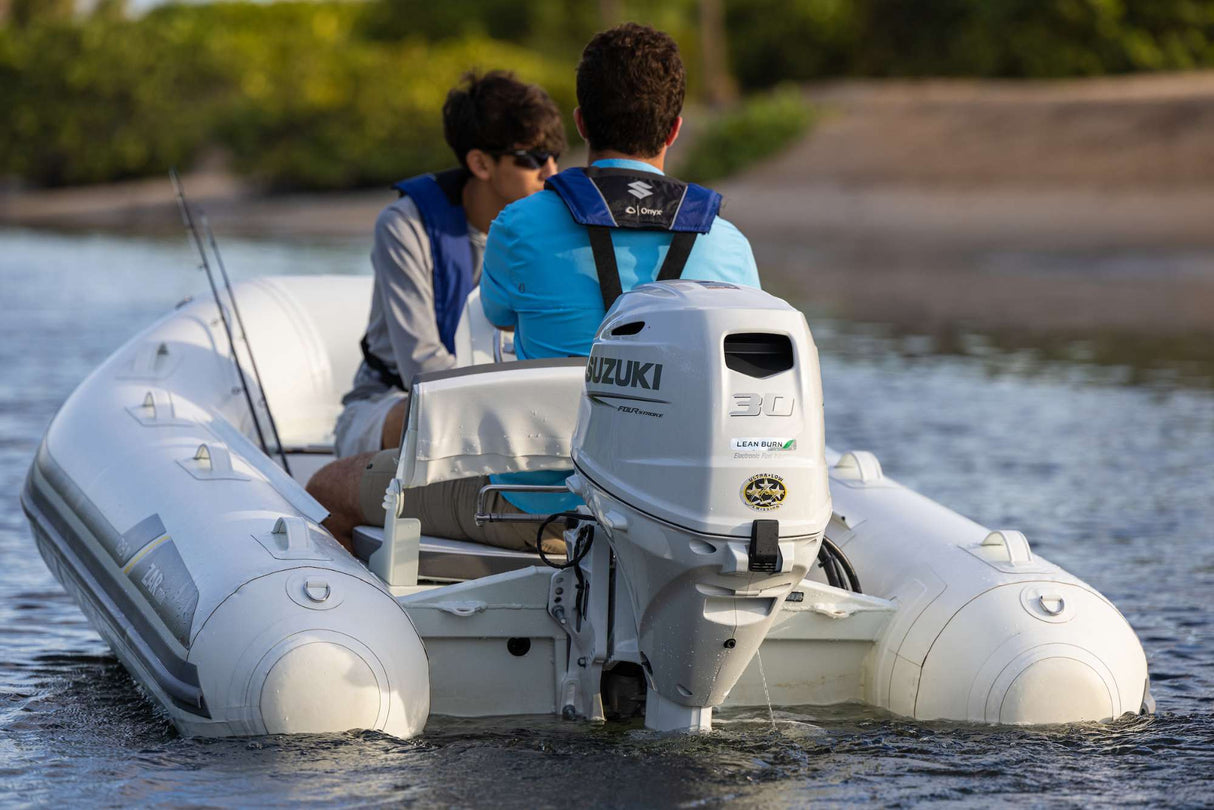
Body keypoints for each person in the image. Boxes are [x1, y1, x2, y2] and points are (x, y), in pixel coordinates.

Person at [479, 22, 761, 516]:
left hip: (540, 508)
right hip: (675, 518)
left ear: (581, 123)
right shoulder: (729, 244)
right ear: (674, 128)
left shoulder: (518, 225)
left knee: (340, 486)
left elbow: (499, 315)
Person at [307, 70, 566, 552]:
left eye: (556, 156)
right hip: (390, 403)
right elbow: (422, 370)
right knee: (419, 411)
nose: (551, 172)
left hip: (506, 421)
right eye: (532, 158)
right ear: (480, 163)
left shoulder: (551, 234)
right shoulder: (404, 227)